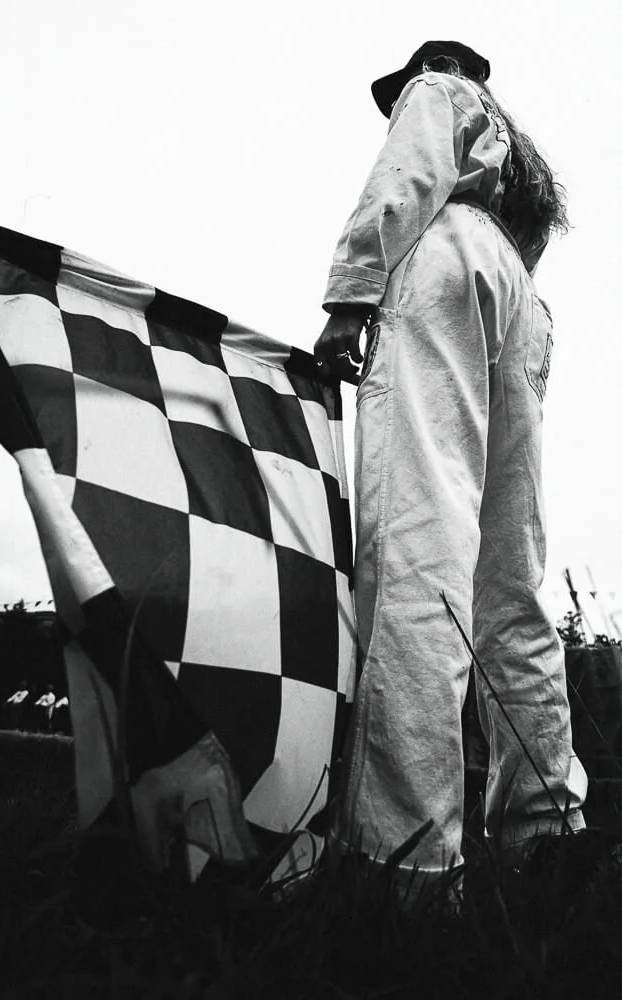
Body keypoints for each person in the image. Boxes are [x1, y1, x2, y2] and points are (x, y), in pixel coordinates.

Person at [313, 40, 588, 905]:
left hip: (449, 263)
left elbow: (410, 169)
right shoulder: (521, 158)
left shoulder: (440, 90)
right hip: (522, 306)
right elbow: (520, 254)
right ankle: (545, 840)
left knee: (419, 544)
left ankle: (408, 864)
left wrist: (352, 289)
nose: (403, 98)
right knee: (509, 579)